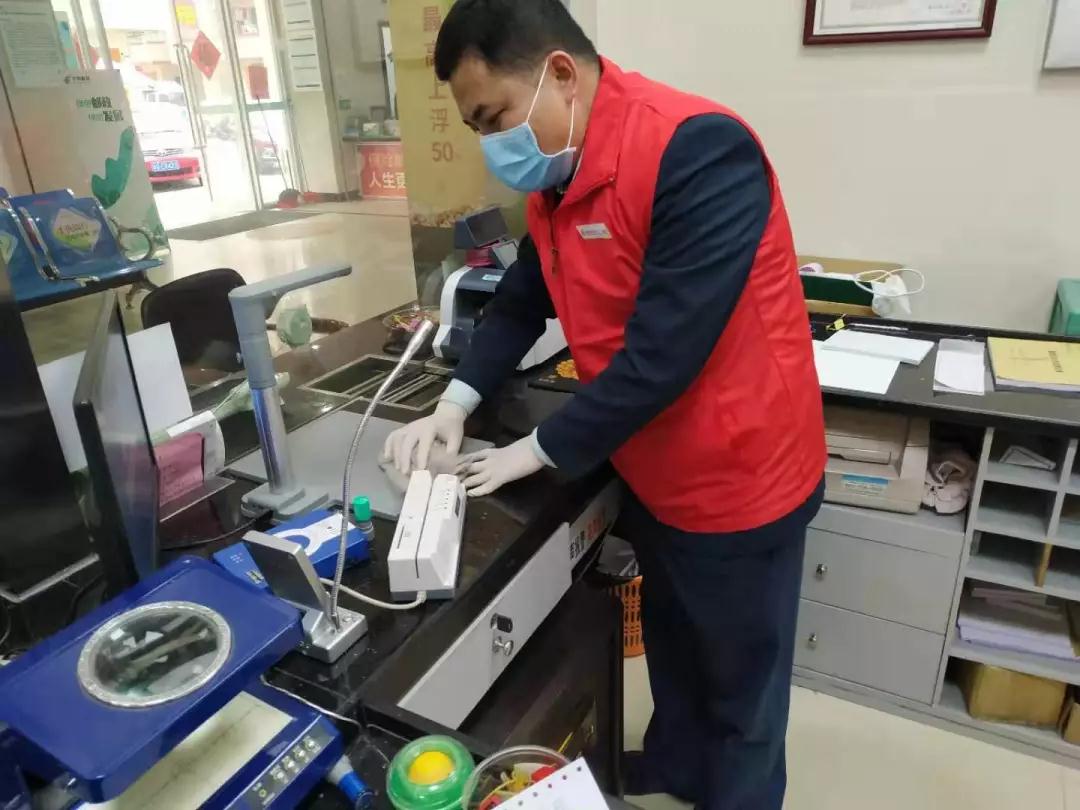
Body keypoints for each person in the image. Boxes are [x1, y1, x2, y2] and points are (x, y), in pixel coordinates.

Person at [383, 1, 826, 807]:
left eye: (494, 119)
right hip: (652, 465)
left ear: (559, 74)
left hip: (740, 476)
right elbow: (521, 299)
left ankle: (740, 793)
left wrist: (533, 450)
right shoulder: (560, 176)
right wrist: (454, 402)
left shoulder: (697, 151)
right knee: (674, 645)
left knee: (741, 687)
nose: (492, 146)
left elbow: (662, 357)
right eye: (476, 127)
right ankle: (677, 767)